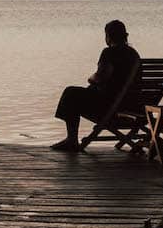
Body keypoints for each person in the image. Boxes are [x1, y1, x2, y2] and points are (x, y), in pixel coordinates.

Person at [50, 19, 141, 153]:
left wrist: (91, 78)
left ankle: (72, 139)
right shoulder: (134, 55)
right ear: (125, 35)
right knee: (80, 93)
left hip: (109, 107)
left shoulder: (109, 53)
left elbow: (100, 77)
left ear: (108, 36)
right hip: (132, 106)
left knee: (71, 93)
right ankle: (71, 140)